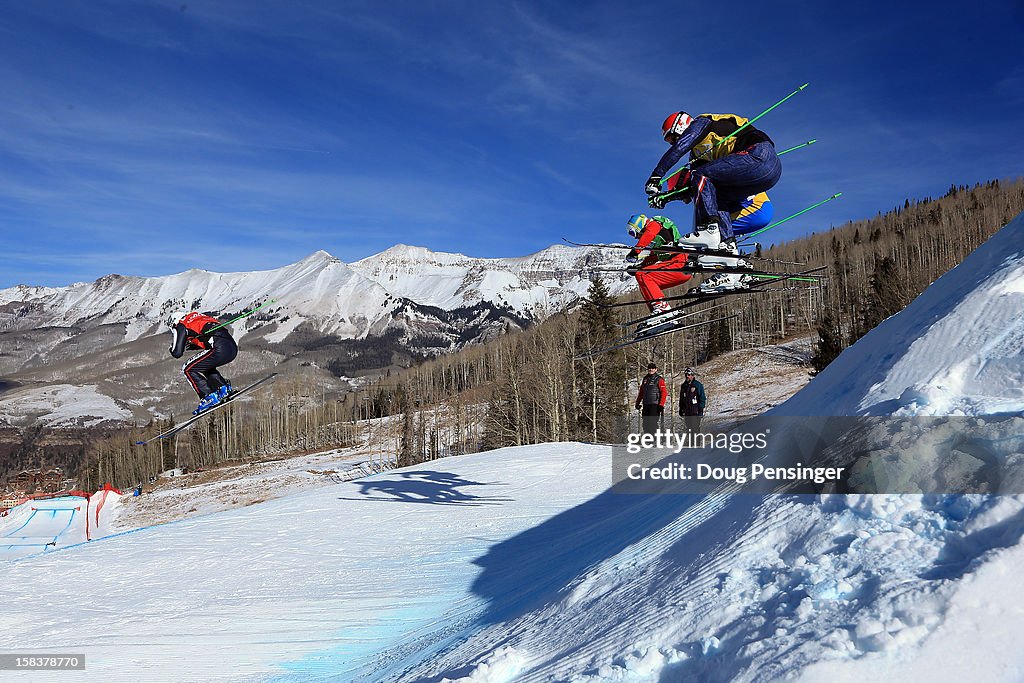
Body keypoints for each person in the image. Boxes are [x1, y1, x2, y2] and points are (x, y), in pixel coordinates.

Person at [644, 111, 782, 292]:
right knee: (715, 198)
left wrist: (656, 175)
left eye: (671, 137)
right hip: (766, 172)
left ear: (680, 126)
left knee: (701, 177)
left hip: (759, 155)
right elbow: (693, 187)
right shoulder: (699, 155)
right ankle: (729, 260)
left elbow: (683, 149)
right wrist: (666, 197)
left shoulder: (702, 122)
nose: (672, 142)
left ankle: (710, 232)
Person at [625, 213, 694, 333]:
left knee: (643, 275)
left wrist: (636, 250)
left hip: (681, 263)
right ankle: (658, 315)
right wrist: (638, 267)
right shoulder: (657, 242)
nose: (635, 237)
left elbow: (649, 234)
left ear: (639, 226)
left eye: (633, 233)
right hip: (677, 268)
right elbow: (653, 257)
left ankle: (662, 309)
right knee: (642, 279)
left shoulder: (655, 224)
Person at [168, 311, 238, 415]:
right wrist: (190, 345)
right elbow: (205, 337)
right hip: (231, 348)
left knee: (187, 369)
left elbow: (177, 353)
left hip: (219, 347)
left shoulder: (181, 324)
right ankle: (222, 388)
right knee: (204, 365)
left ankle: (208, 396)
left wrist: (172, 349)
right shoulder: (197, 318)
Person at [635, 362, 667, 435]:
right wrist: (637, 402)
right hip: (646, 404)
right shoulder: (645, 379)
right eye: (649, 368)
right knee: (645, 423)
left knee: (652, 423)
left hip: (655, 404)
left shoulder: (659, 379)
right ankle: (648, 439)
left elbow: (664, 393)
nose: (651, 370)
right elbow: (641, 392)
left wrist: (661, 405)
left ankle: (655, 439)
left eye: (652, 368)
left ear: (655, 369)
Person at [678, 367, 706, 432]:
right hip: (687, 412)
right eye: (686, 375)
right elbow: (682, 398)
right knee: (689, 430)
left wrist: (701, 410)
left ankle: (697, 442)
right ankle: (691, 442)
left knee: (695, 429)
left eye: (689, 374)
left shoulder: (698, 385)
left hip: (695, 412)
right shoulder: (684, 386)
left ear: (692, 375)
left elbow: (702, 398)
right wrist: (681, 408)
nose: (687, 376)